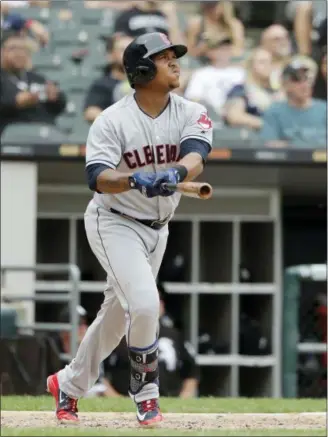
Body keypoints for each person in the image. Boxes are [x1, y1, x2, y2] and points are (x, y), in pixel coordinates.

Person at [46, 31, 213, 427]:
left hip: (159, 228)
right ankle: (147, 393)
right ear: (141, 69)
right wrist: (136, 178)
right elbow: (98, 177)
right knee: (142, 304)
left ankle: (67, 385)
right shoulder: (111, 120)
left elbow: (197, 156)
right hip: (114, 220)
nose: (174, 62)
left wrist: (174, 172)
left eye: (175, 55)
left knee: (116, 317)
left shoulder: (191, 111)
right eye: (163, 57)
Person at [103, 284, 199, 398]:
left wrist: (183, 399)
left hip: (169, 402)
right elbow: (100, 373)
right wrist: (117, 400)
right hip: (127, 402)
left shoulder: (175, 336)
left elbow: (191, 372)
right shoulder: (118, 335)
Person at [0, 32, 66, 136]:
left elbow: (59, 106)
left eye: (23, 49)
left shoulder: (36, 78)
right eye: (13, 48)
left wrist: (56, 97)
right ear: (2, 51)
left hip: (45, 135)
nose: (19, 53)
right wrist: (14, 102)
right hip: (10, 138)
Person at [260, 59, 327, 149]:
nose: (304, 84)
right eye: (297, 80)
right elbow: (270, 145)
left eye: (307, 79)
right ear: (285, 84)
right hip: (289, 162)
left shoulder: (324, 109)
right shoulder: (274, 111)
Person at [184, 37, 245, 116]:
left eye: (227, 48)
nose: (225, 52)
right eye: (221, 49)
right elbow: (193, 98)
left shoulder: (240, 72)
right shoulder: (200, 74)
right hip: (211, 116)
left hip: (237, 115)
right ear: (210, 52)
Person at [224, 47, 278, 131]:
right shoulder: (241, 90)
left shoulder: (277, 91)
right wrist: (266, 124)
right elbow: (234, 116)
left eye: (270, 62)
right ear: (251, 65)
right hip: (254, 138)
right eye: (262, 62)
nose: (268, 65)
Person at [84, 34, 133, 124]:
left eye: (133, 50)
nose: (129, 53)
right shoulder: (102, 84)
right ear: (111, 55)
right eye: (123, 49)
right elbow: (90, 112)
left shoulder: (147, 83)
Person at [113, 1, 184, 46]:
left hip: (163, 54)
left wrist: (171, 16)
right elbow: (120, 44)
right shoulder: (126, 15)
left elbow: (179, 45)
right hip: (138, 55)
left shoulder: (165, 15)